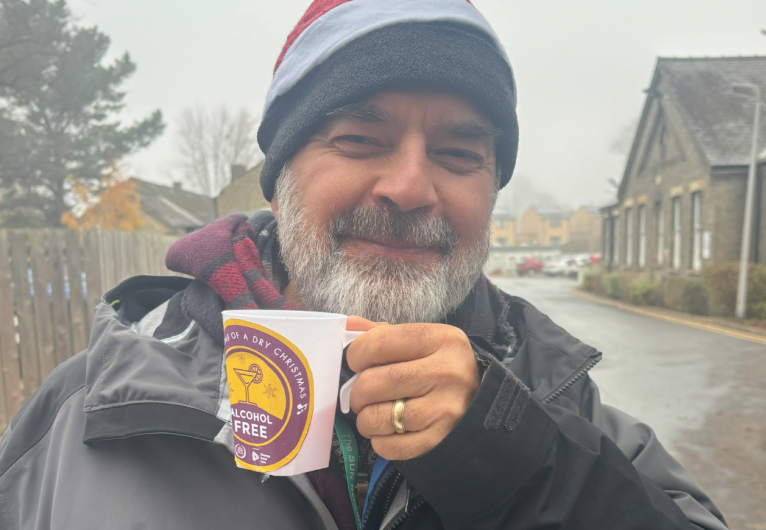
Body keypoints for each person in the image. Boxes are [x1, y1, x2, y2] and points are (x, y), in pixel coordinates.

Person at [0, 1, 728, 529]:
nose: (410, 187)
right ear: (281, 178)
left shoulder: (561, 404)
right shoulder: (86, 415)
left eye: (457, 154)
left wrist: (520, 464)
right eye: (356, 138)